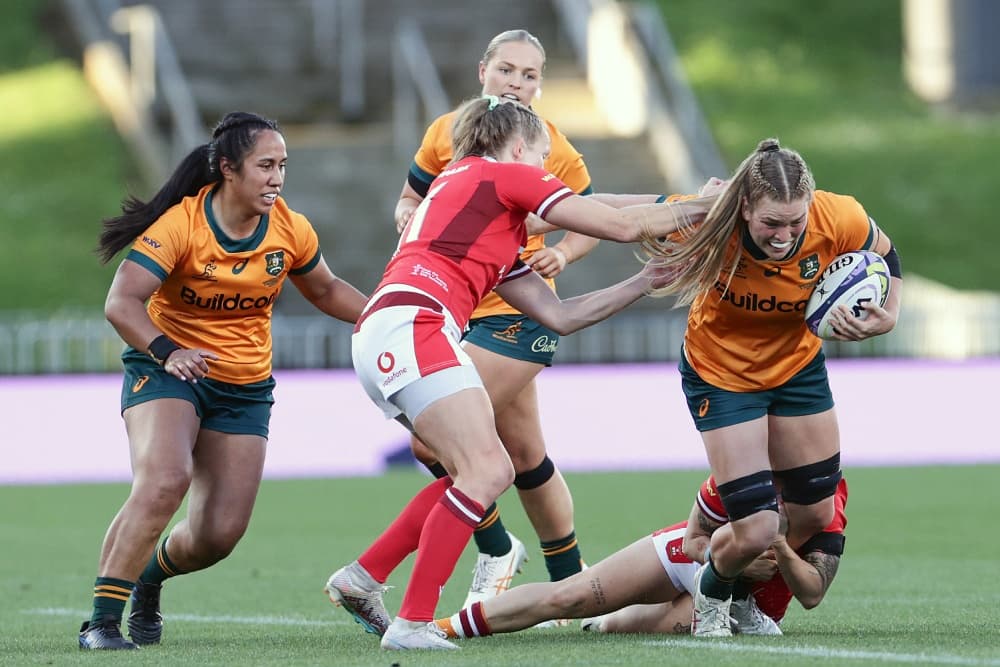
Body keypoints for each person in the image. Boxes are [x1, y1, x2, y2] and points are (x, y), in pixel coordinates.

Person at [324, 95, 706, 650]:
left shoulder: (473, 205)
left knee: (479, 471)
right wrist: (706, 209)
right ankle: (410, 624)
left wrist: (646, 280)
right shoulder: (503, 174)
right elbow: (618, 223)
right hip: (416, 325)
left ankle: (363, 578)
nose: (547, 174)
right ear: (522, 146)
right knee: (485, 472)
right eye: (544, 160)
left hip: (390, 327)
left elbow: (559, 315)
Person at [79, 111, 368, 650]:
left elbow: (326, 292)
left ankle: (149, 576)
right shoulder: (181, 224)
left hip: (245, 387)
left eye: (283, 165)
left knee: (218, 537)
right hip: (165, 369)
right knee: (165, 479)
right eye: (265, 166)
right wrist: (168, 351)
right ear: (228, 169)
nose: (277, 177)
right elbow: (121, 301)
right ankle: (100, 622)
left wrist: (388, 315)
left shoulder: (290, 228)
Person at [639, 138, 902, 636]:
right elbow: (621, 220)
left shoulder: (838, 216)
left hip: (797, 370)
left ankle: (737, 594)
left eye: (795, 222)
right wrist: (544, 221)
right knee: (759, 525)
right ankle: (715, 593)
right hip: (723, 375)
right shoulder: (707, 219)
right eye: (770, 223)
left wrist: (887, 317)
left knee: (815, 511)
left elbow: (889, 256)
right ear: (743, 205)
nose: (784, 235)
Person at [389, 29, 602, 606]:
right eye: (507, 70)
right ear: (482, 70)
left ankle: (496, 548)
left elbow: (591, 216)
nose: (517, 83)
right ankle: (573, 587)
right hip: (455, 305)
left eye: (530, 75)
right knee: (526, 456)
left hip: (517, 304)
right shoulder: (448, 132)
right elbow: (410, 197)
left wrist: (562, 250)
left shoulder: (550, 144)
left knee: (433, 444)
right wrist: (410, 218)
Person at [433, 475, 847, 638]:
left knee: (638, 628)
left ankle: (606, 622)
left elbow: (811, 594)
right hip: (697, 565)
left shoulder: (828, 496)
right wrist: (726, 561)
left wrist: (776, 547)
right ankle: (442, 628)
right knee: (568, 598)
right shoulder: (739, 471)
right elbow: (692, 542)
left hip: (748, 606)